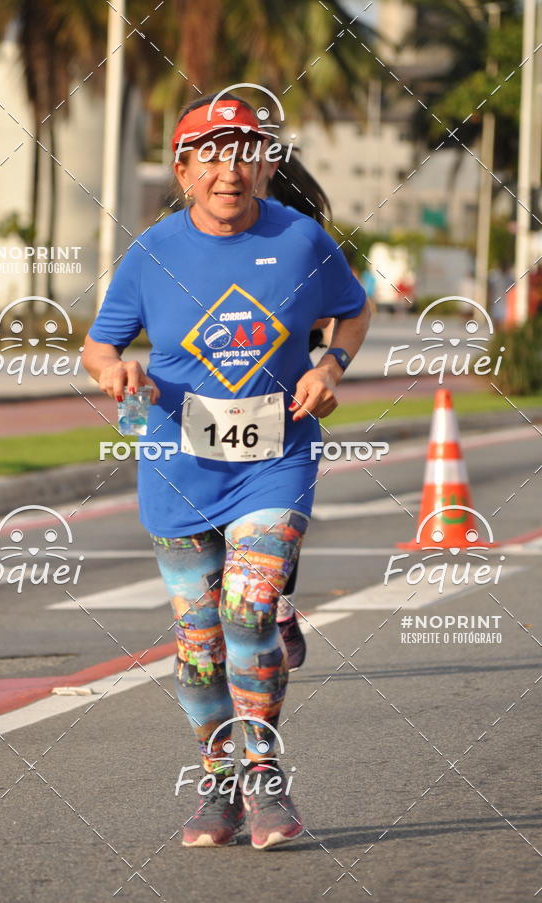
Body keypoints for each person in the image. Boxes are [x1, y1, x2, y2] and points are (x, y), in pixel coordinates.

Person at [83, 92, 370, 850]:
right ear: (182, 171)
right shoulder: (151, 254)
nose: (228, 169)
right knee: (198, 645)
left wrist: (331, 364)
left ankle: (265, 774)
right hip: (179, 465)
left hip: (275, 458)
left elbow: (354, 307)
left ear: (265, 165)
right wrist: (118, 373)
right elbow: (99, 345)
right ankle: (219, 780)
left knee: (247, 614)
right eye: (209, 154)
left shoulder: (302, 240)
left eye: (244, 152)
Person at [256, 148, 336, 671]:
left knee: (274, 517)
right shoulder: (195, 230)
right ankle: (265, 609)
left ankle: (275, 605)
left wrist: (330, 366)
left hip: (281, 397)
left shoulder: (301, 238)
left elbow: (343, 310)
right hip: (206, 399)